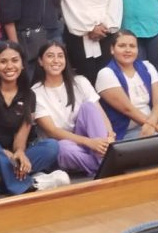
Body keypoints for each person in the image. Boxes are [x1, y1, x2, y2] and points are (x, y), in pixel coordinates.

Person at [0, 42, 64, 202]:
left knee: (51, 146)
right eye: (3, 61)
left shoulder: (29, 95)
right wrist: (5, 154)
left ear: (22, 65)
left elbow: (20, 140)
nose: (9, 66)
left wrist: (20, 152)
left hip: (11, 158)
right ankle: (29, 184)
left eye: (15, 60)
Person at [95, 30, 158, 140]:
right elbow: (128, 110)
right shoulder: (106, 74)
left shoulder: (147, 66)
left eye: (132, 46)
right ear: (112, 49)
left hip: (154, 124)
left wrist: (152, 125)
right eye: (122, 46)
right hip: (128, 131)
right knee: (156, 138)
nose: (128, 50)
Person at [31, 41, 115, 176]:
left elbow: (99, 113)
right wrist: (89, 143)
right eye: (50, 56)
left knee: (88, 107)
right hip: (64, 146)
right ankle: (106, 164)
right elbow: (52, 131)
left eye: (60, 56)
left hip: (90, 141)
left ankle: (103, 159)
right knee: (63, 147)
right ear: (41, 61)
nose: (56, 60)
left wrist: (110, 135)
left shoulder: (80, 82)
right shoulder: (35, 93)